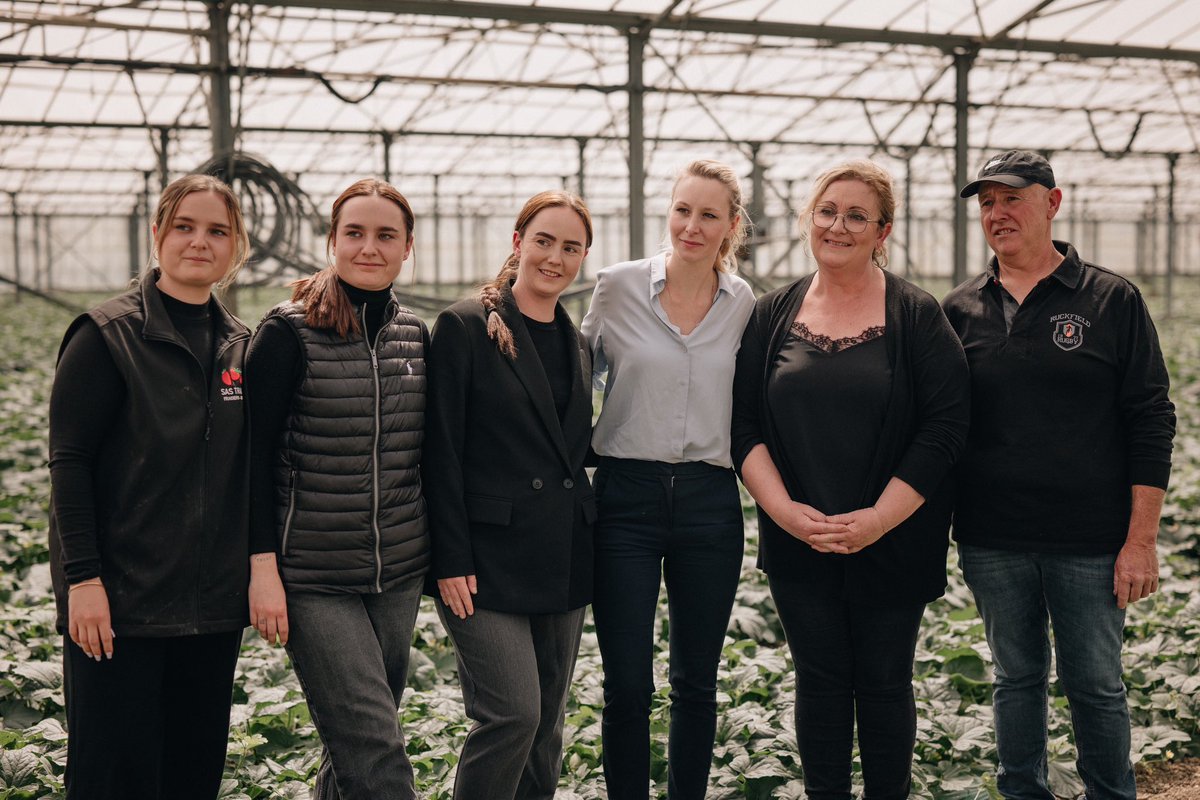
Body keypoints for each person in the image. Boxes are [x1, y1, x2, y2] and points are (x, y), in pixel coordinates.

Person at [730, 159, 970, 800]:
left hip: (893, 537)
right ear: (812, 219)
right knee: (821, 680)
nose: (839, 226)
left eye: (857, 215)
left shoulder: (918, 316)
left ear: (881, 230)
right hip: (798, 538)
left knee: (887, 682)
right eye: (828, 212)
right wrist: (784, 513)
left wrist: (877, 521)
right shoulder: (771, 313)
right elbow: (744, 425)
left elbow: (945, 429)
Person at [943, 150, 1175, 800]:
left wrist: (1140, 538)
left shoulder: (1110, 299)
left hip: (1091, 541)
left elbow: (1151, 418)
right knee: (1014, 680)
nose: (997, 213)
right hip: (992, 540)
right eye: (987, 202)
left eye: (1012, 198)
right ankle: (1023, 791)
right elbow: (939, 429)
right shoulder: (960, 309)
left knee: (1096, 684)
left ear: (1053, 201)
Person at [48, 173, 252, 800]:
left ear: (236, 246)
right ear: (158, 234)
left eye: (217, 231)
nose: (200, 242)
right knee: (111, 777)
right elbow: (70, 464)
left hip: (210, 610)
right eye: (185, 227)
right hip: (120, 606)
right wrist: (83, 581)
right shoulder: (105, 336)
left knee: (190, 775)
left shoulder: (241, 346)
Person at [244, 178, 430, 800]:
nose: (369, 247)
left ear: (408, 248)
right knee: (378, 755)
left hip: (396, 574)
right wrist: (263, 569)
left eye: (386, 235)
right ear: (332, 240)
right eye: (355, 233)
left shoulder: (415, 337)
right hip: (314, 577)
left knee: (353, 747)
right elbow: (250, 462)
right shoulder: (286, 334)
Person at [581, 160, 756, 799]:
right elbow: (570, 385)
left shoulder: (746, 306)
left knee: (696, 683)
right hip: (625, 499)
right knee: (627, 684)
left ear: (731, 226)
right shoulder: (617, 287)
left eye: (709, 214)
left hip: (711, 505)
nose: (691, 225)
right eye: (683, 210)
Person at [423, 190, 596, 800]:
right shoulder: (465, 325)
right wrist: (450, 559)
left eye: (571, 247)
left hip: (562, 555)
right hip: (485, 561)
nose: (555, 257)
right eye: (544, 241)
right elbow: (438, 451)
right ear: (518, 242)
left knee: (546, 727)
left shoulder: (576, 341)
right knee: (512, 715)